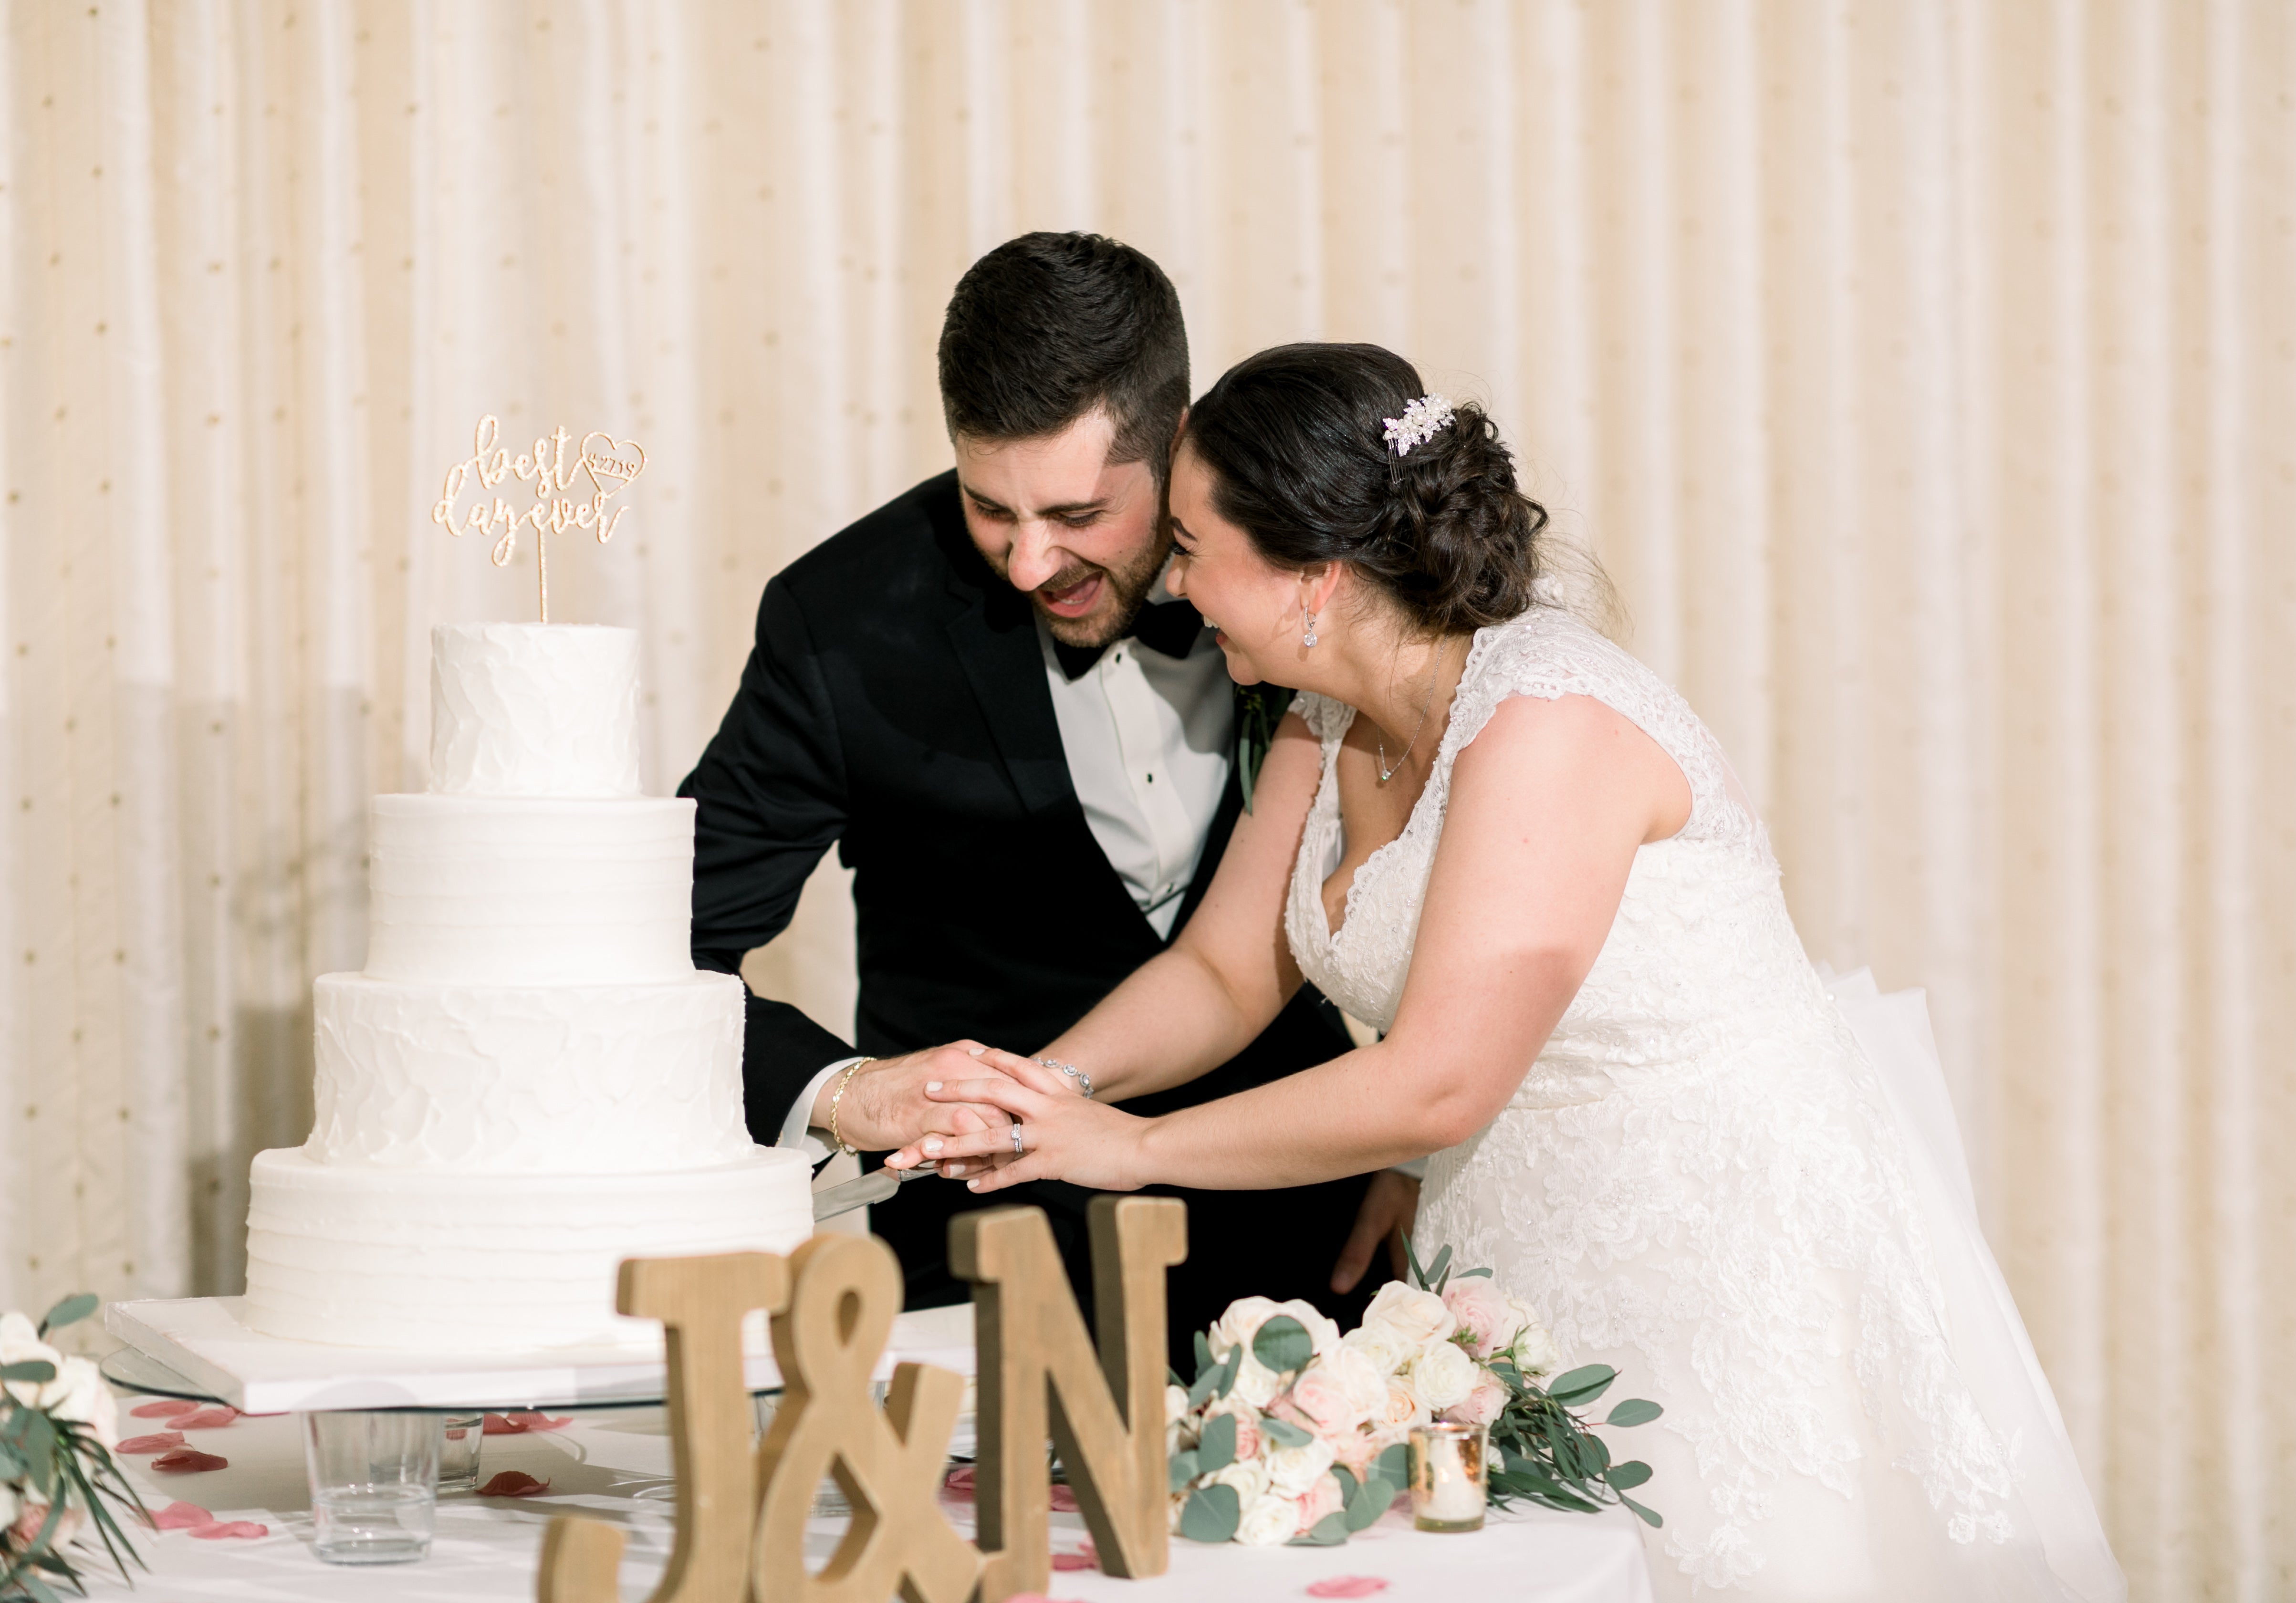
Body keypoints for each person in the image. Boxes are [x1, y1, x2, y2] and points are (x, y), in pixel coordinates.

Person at [884, 344, 2128, 1601]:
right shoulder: (1327, 719)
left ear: (1313, 574)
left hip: (1717, 1255)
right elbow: (1222, 974)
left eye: (1197, 546)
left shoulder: (1547, 724)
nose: (1177, 579)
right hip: (1512, 1259)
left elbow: (1436, 1087)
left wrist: (1129, 1149)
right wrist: (1039, 1090)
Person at [677, 237, 1411, 1341]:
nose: (1027, 566)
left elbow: (1459, 881)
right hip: (989, 1271)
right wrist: (843, 1090)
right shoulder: (838, 622)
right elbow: (656, 947)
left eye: (1075, 517)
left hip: (1310, 1237)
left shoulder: (1302, 575)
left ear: (1179, 443)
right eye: (990, 509)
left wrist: (1422, 1142)